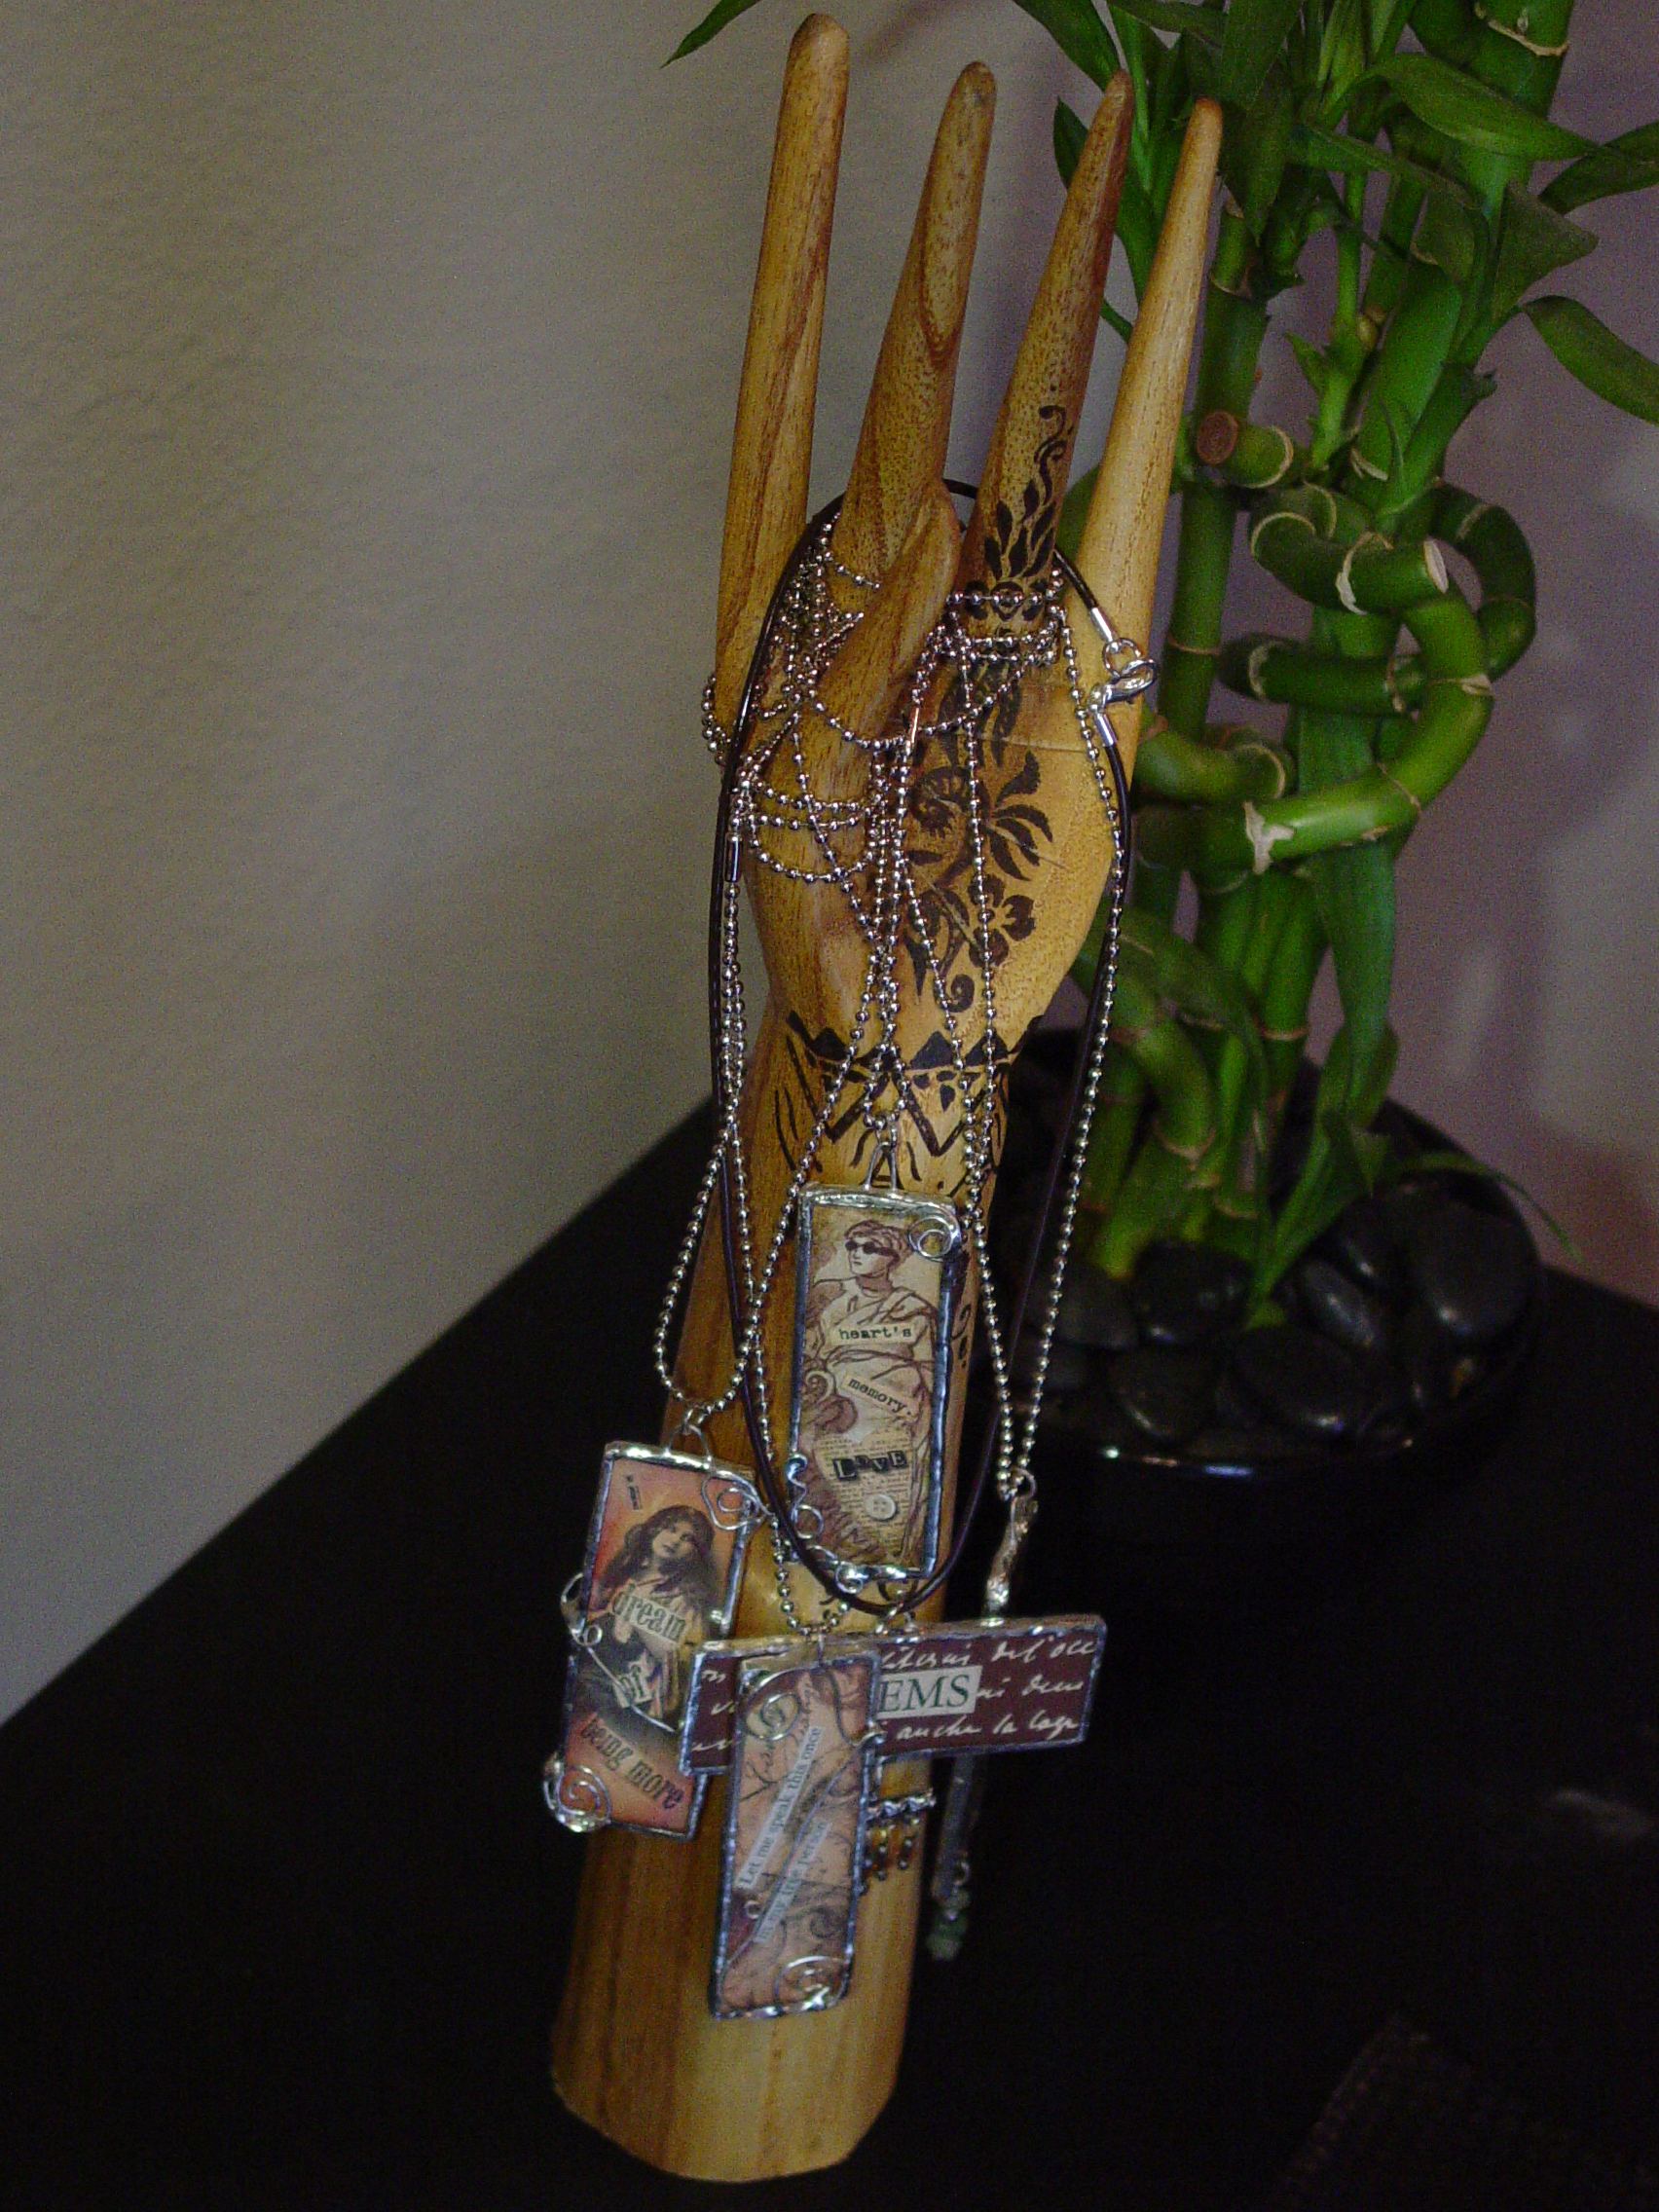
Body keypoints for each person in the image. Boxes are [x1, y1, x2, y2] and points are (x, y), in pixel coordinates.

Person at [799, 1216, 939, 1561]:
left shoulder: (913, 1310)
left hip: (892, 1416)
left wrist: (924, 1421)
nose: (857, 1253)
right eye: (853, 1246)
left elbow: (929, 1372)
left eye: (870, 1248)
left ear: (892, 1259)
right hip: (839, 1411)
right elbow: (812, 1358)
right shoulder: (833, 1300)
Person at [584, 1503, 719, 1728]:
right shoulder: (627, 1572)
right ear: (654, 1529)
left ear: (695, 1553)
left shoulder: (685, 1598)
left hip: (636, 1687)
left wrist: (639, 1620)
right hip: (602, 1660)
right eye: (671, 1529)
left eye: (687, 1539)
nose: (674, 1540)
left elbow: (685, 1656)